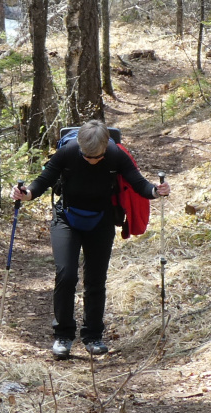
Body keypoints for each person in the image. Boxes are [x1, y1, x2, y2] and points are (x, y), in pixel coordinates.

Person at [12, 120, 170, 359]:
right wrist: (26, 194)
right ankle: (63, 336)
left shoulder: (116, 154)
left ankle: (93, 336)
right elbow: (42, 181)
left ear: (106, 147)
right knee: (66, 274)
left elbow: (139, 184)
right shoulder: (68, 152)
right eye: (87, 156)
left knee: (95, 280)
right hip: (66, 217)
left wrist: (156, 191)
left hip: (101, 220)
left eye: (97, 157)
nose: (92, 160)